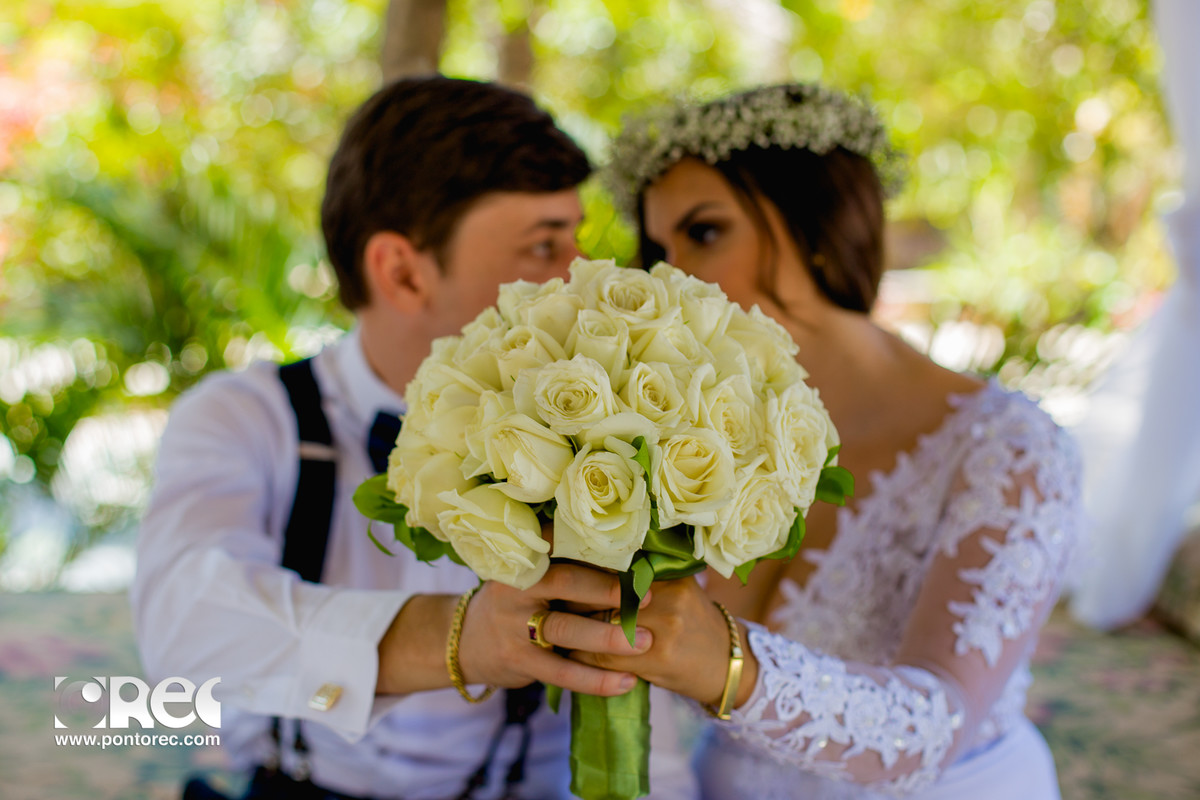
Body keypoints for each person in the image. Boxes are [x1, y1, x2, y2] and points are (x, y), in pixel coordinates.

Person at [132, 75, 696, 800]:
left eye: (577, 240)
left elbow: (643, 742)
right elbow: (186, 626)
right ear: (401, 272)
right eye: (543, 245)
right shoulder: (245, 418)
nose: (580, 277)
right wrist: (459, 639)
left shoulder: (613, 443)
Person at [585, 83, 1084, 799]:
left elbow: (933, 727)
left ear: (815, 228)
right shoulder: (677, 433)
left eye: (704, 232)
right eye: (658, 247)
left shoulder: (1010, 451)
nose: (669, 276)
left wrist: (728, 662)